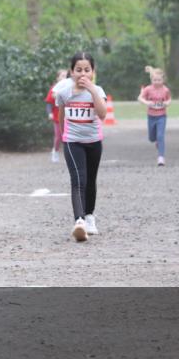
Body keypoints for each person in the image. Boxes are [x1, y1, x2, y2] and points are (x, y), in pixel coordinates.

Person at [54, 52, 107, 242]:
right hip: (72, 141)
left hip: (93, 142)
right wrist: (62, 138)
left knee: (91, 180)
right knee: (78, 180)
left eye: (87, 69)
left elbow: (102, 115)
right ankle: (79, 221)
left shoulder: (98, 91)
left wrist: (92, 90)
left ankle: (90, 216)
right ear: (71, 71)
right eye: (78, 70)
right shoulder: (64, 92)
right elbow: (61, 116)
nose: (82, 73)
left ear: (93, 71)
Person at [137, 66, 172, 166]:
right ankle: (156, 140)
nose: (157, 82)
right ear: (151, 80)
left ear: (163, 80)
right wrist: (147, 103)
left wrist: (166, 103)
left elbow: (169, 100)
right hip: (151, 116)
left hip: (162, 116)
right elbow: (140, 98)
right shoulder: (148, 89)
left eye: (159, 80)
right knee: (152, 138)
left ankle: (161, 158)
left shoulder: (165, 90)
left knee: (160, 136)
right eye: (155, 80)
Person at [44, 69, 69, 162]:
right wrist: (49, 113)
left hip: (69, 118)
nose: (64, 78)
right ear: (57, 78)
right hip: (57, 117)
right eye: (62, 76)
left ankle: (70, 154)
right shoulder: (54, 89)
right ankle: (55, 151)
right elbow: (48, 103)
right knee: (59, 136)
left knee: (68, 137)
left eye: (66, 76)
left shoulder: (70, 88)